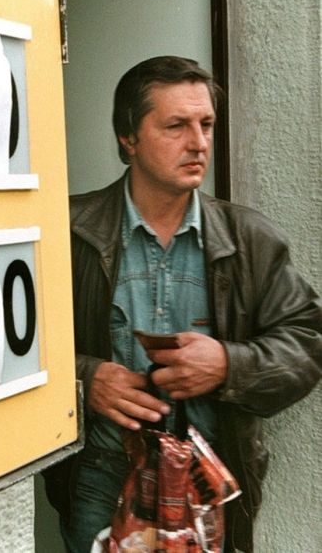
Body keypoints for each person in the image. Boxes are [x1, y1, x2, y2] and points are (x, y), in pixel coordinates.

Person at [44, 56, 322, 552]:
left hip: (209, 478)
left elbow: (307, 343)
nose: (198, 143)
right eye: (176, 126)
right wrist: (83, 379)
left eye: (206, 124)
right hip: (103, 478)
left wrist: (228, 365)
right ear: (128, 137)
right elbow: (13, 349)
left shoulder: (248, 237)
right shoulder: (69, 233)